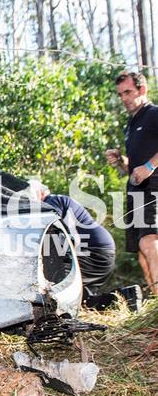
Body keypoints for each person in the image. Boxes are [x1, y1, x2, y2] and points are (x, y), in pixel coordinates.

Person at [106, 71, 158, 295]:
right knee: (142, 256)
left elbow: (146, 167)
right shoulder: (131, 125)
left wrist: (150, 166)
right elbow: (135, 169)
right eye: (120, 94)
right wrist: (121, 161)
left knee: (149, 243)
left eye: (128, 92)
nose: (124, 98)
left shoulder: (154, 114)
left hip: (154, 188)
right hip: (137, 193)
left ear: (142, 90)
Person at [30, 181, 116, 296]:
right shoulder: (60, 200)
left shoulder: (51, 201)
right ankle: (127, 297)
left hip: (94, 252)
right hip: (103, 252)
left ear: (40, 192)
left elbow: (51, 229)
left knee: (56, 286)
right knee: (83, 300)